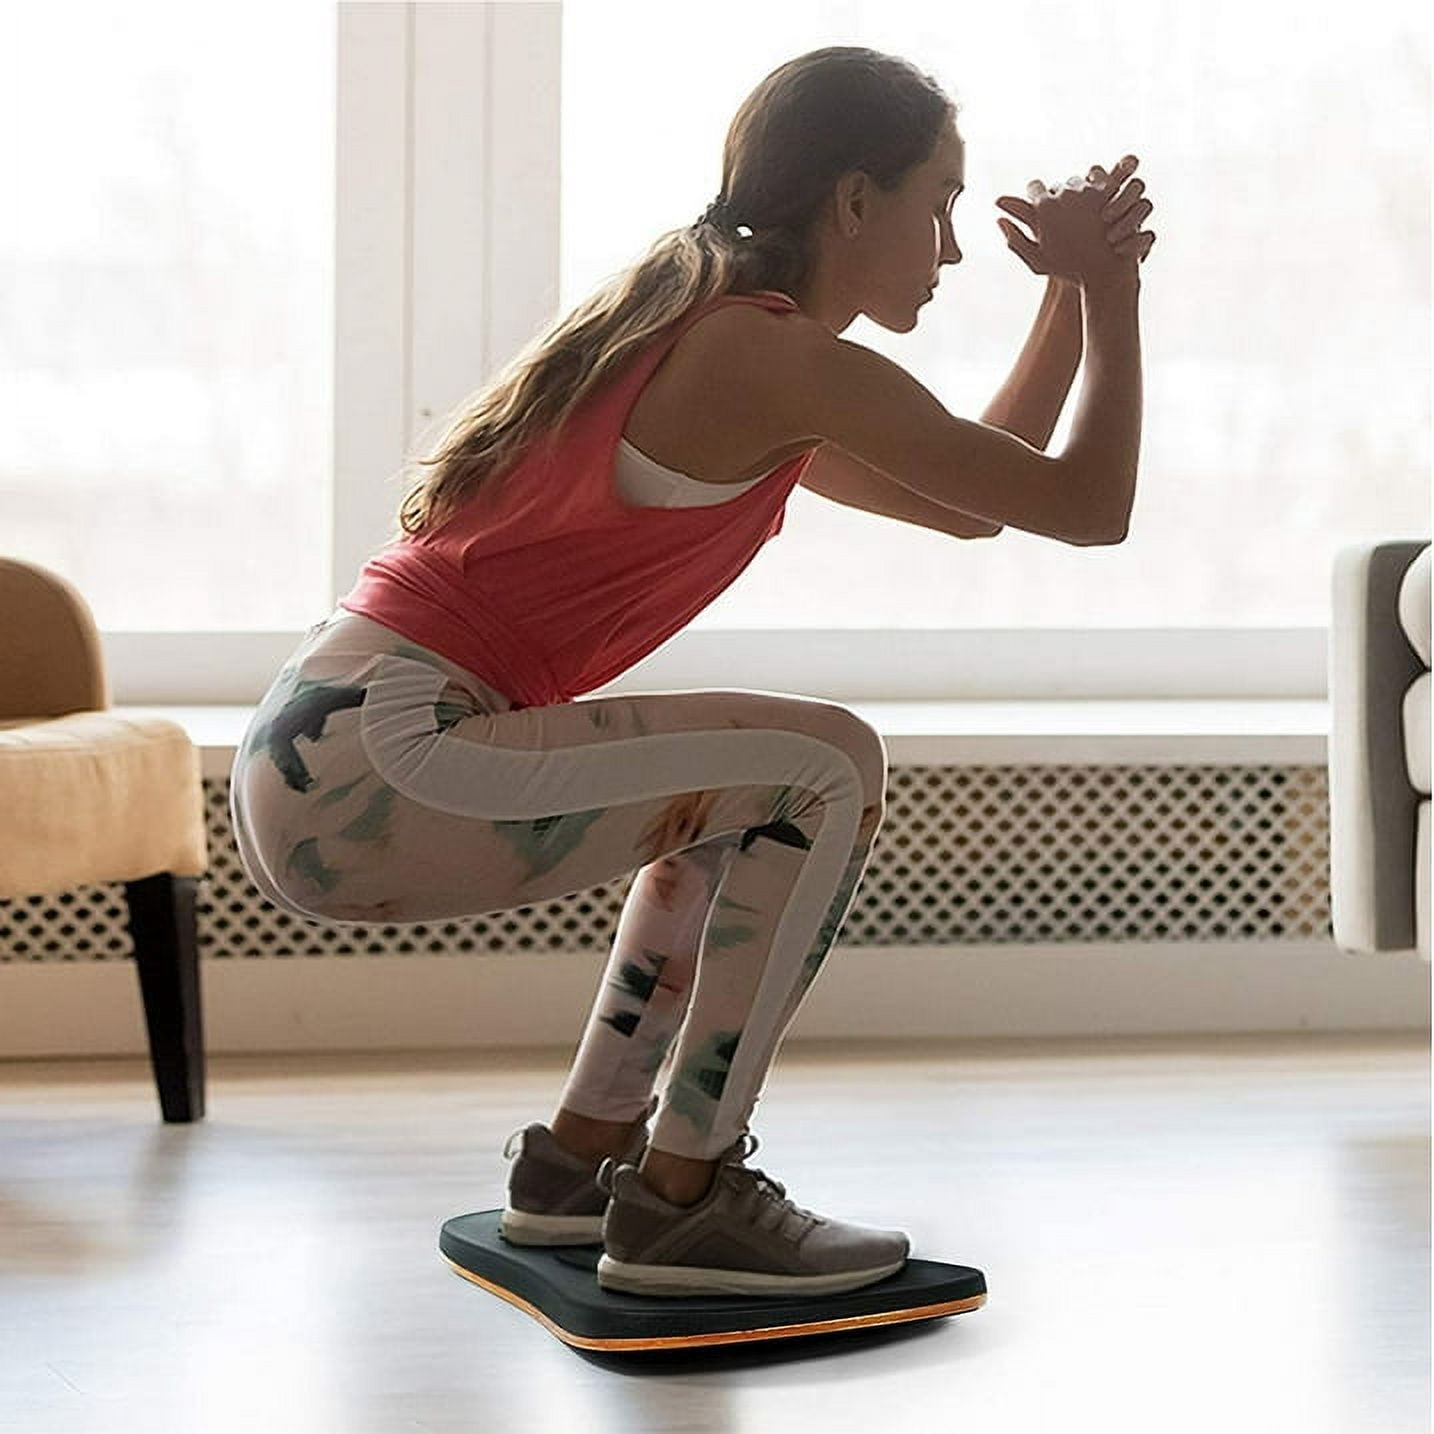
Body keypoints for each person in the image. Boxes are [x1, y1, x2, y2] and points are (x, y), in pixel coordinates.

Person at [229, 45, 1153, 1300]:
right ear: (852, 200)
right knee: (828, 764)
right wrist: (1112, 293)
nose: (947, 246)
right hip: (376, 759)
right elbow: (1089, 507)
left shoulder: (714, 333)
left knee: (744, 797)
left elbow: (981, 499)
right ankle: (689, 1197)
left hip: (337, 744)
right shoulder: (764, 357)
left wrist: (1068, 292)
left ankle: (580, 1163)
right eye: (938, 201)